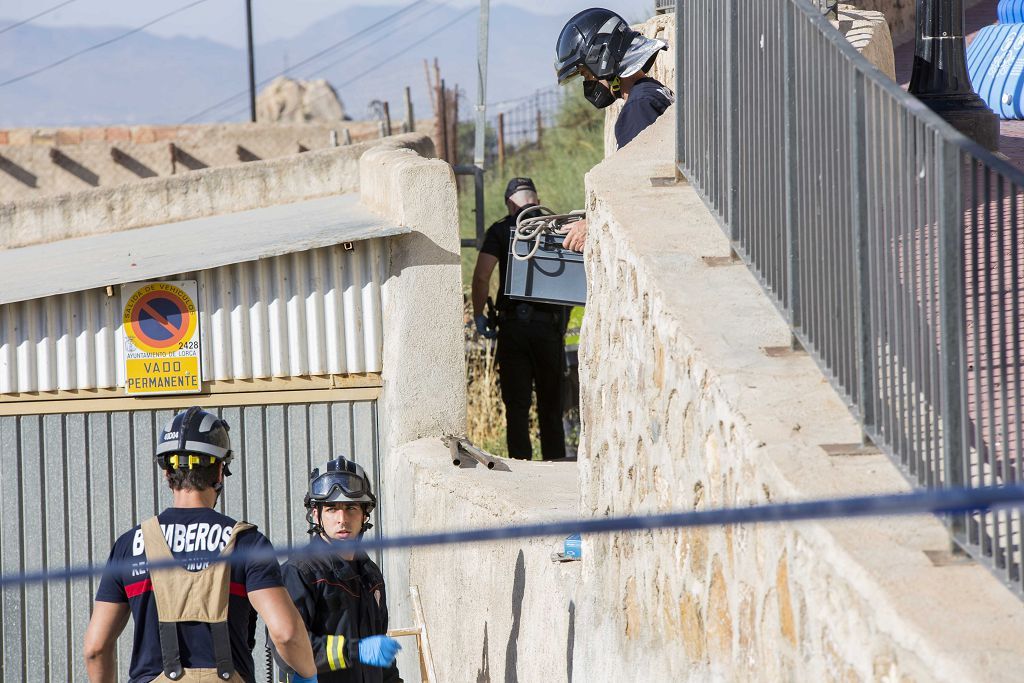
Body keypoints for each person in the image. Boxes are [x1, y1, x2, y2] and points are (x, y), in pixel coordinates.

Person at [83, 406, 318, 683]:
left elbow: (95, 649)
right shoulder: (246, 543)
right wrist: (308, 676)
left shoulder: (129, 546)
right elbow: (286, 634)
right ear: (219, 472)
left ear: (167, 474)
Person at [554, 7, 675, 252]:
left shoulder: (640, 107)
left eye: (586, 74)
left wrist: (594, 226)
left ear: (603, 59)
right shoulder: (651, 92)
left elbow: (639, 192)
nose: (588, 84)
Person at [273, 456, 402, 683]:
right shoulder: (300, 573)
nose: (342, 519)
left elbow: (383, 661)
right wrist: (355, 651)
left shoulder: (371, 575)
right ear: (316, 515)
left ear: (364, 515)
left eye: (351, 507)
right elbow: (288, 650)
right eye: (332, 508)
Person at [472, 177, 568, 460]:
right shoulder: (558, 226)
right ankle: (556, 465)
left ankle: (522, 469)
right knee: (551, 406)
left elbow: (481, 277)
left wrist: (479, 316)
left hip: (512, 328)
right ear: (536, 201)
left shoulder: (501, 230)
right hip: (549, 329)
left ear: (509, 203)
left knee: (516, 406)